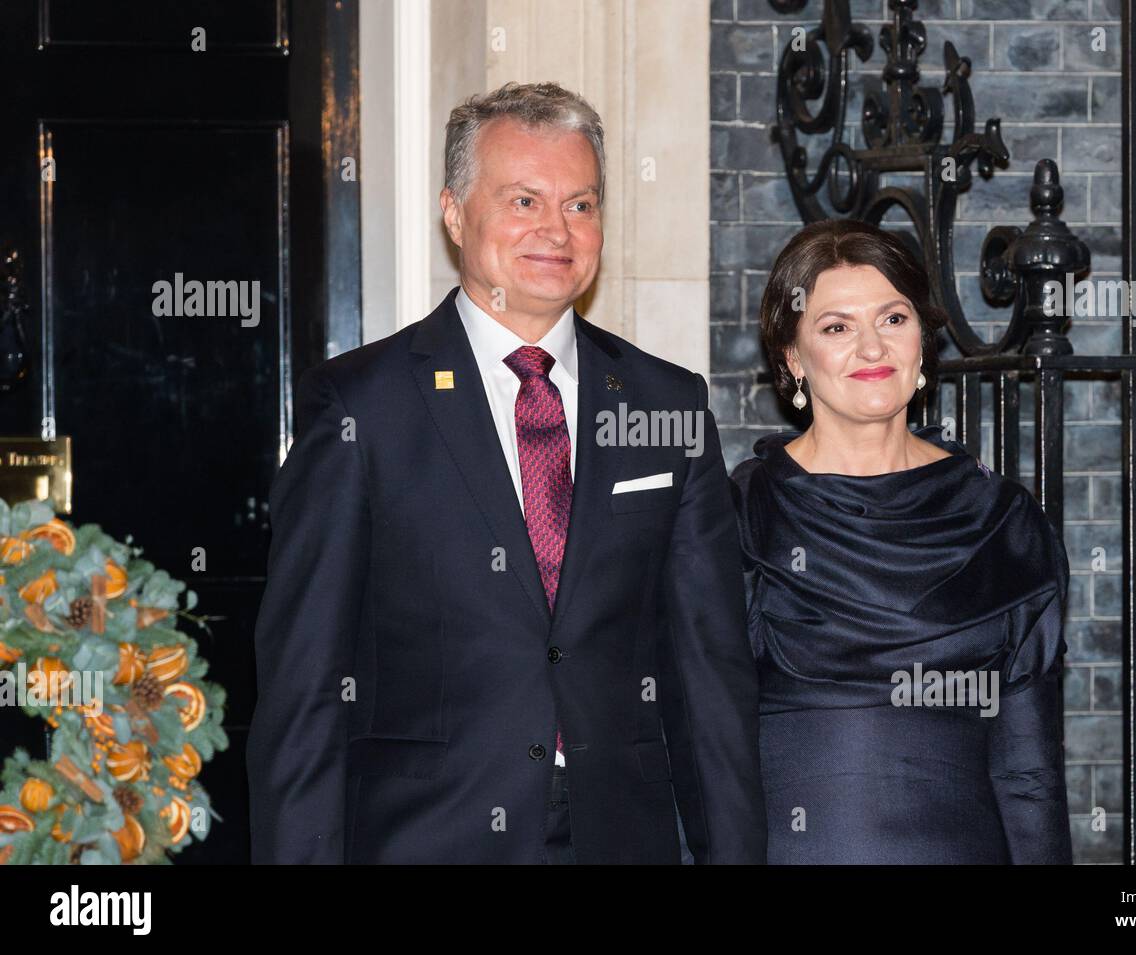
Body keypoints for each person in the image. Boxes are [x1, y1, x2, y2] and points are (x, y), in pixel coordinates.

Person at [246, 81, 766, 864]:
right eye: (524, 200)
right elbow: (305, 691)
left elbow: (709, 681)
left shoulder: (668, 405)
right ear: (455, 213)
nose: (556, 230)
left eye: (581, 205)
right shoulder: (359, 407)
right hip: (423, 840)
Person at [730, 219, 1072, 864]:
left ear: (922, 342)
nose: (871, 348)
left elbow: (1029, 768)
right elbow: (694, 750)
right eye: (836, 327)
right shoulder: (739, 517)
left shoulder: (1004, 520)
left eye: (893, 319)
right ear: (793, 358)